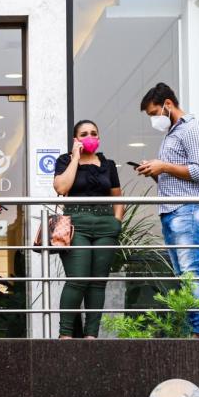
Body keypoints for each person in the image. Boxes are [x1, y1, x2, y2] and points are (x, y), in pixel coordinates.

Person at [137, 82, 199, 338]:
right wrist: (156, 171)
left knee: (191, 270)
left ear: (168, 105)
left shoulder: (190, 129)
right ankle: (197, 329)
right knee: (184, 273)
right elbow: (178, 173)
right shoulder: (171, 134)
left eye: (153, 113)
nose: (153, 120)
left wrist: (164, 167)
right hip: (173, 210)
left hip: (187, 209)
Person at [53, 120, 124, 339]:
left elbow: (118, 197)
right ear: (76, 139)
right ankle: (65, 335)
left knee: (98, 282)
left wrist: (117, 222)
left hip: (105, 225)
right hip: (77, 225)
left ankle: (91, 335)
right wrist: (75, 157)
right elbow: (61, 188)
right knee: (78, 278)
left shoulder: (108, 164)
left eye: (94, 133)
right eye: (84, 134)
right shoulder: (65, 160)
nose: (90, 136)